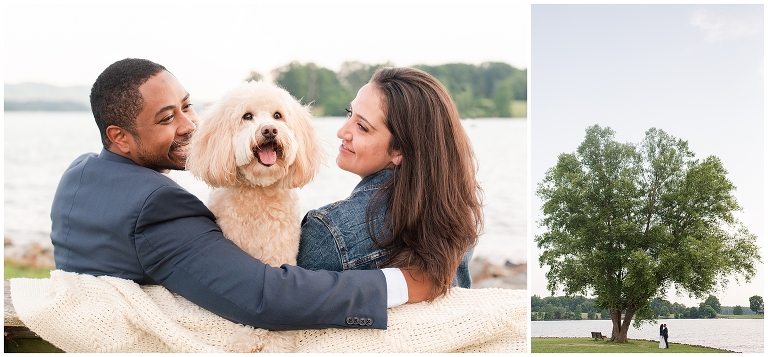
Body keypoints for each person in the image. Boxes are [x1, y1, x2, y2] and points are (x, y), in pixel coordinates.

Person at [50, 58, 432, 332]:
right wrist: (400, 284)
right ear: (119, 136)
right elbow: (265, 298)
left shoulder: (81, 173)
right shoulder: (158, 205)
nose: (190, 126)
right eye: (167, 119)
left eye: (187, 106)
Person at [297, 67, 482, 300]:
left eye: (362, 127)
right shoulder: (458, 218)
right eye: (349, 113)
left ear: (400, 150)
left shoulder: (329, 230)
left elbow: (282, 305)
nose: (342, 131)